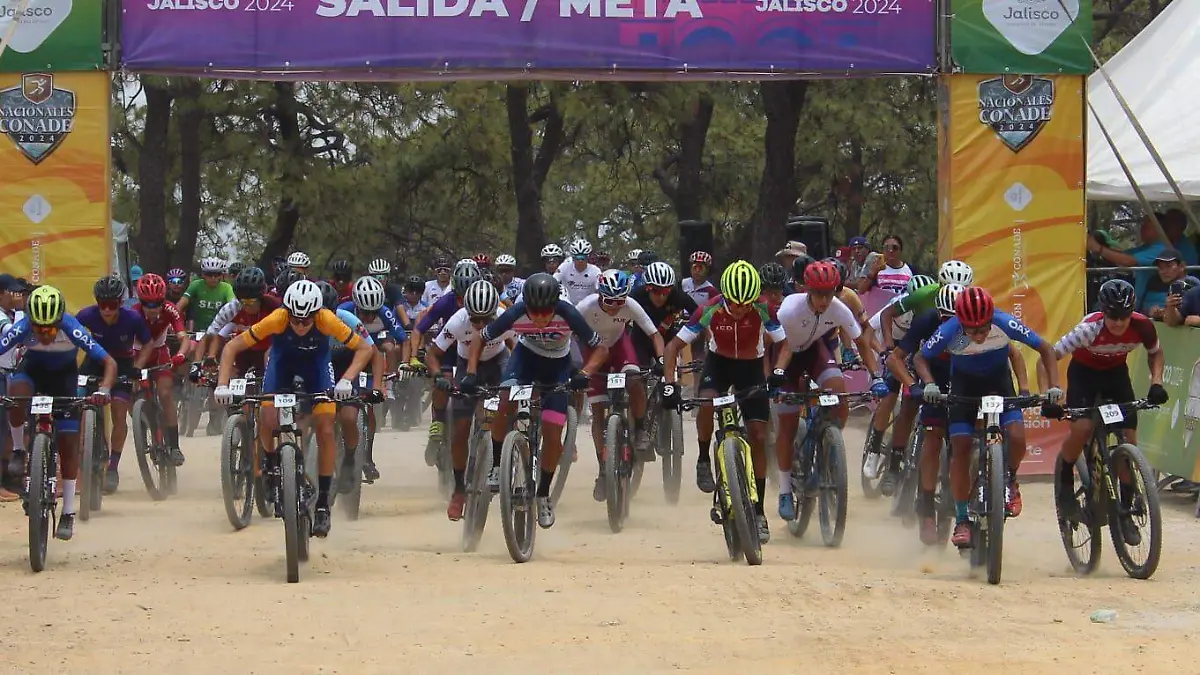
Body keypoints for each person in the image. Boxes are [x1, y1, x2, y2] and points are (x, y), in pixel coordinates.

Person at [215, 280, 378, 538]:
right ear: (288, 312)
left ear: (316, 314)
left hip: (317, 368)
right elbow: (233, 347)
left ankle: (323, 502)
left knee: (325, 428)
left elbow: (364, 348)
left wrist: (347, 379)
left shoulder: (326, 319)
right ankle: (269, 469)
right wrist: (222, 385)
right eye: (296, 320)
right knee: (266, 415)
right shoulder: (277, 318)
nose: (301, 326)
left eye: (307, 321)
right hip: (282, 367)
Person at [917, 286, 1062, 549]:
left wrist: (1052, 387)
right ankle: (962, 518)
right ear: (960, 322)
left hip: (999, 385)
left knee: (1017, 436)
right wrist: (929, 383)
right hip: (963, 388)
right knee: (960, 448)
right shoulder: (950, 331)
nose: (980, 335)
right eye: (972, 331)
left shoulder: (1004, 322)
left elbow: (1047, 349)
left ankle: (1011, 480)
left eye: (984, 328)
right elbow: (920, 358)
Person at [467, 273, 606, 529]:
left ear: (556, 306)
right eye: (535, 312)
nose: (541, 317)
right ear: (526, 306)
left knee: (553, 433)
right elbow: (479, 338)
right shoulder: (515, 312)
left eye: (547, 312)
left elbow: (601, 348)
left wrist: (585, 374)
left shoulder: (569, 314)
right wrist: (471, 373)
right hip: (525, 359)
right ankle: (497, 465)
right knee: (505, 397)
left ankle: (543, 494)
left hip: (558, 366)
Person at [663, 261, 782, 542]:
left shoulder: (764, 309)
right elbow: (672, 348)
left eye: (746, 304)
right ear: (724, 296)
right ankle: (704, 458)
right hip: (718, 366)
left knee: (758, 434)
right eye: (735, 304)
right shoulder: (709, 310)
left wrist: (777, 372)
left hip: (751, 368)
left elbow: (784, 342)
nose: (740, 310)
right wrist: (670, 385)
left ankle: (759, 510)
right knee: (705, 402)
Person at [1050, 278, 1166, 546]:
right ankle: (1066, 483)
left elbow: (1156, 353)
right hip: (1084, 375)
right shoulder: (1089, 329)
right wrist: (1051, 392)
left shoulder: (1143, 326)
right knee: (1082, 428)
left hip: (1115, 374)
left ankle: (1125, 511)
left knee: (1128, 440)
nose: (1118, 323)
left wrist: (1156, 382)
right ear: (1104, 311)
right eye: (1113, 317)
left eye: (1123, 317)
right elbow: (1050, 356)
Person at [0, 285, 116, 540]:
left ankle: (68, 513)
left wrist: (105, 388)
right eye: (38, 329)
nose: (44, 334)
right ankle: (20, 450)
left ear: (59, 321)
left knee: (68, 442)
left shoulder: (71, 327)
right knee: (16, 392)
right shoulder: (23, 327)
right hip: (32, 372)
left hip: (64, 379)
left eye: (50, 329)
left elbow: (109, 362)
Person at [772, 262, 885, 522]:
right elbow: (775, 343)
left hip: (813, 350)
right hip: (784, 355)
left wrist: (875, 376)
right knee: (787, 424)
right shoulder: (789, 308)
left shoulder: (839, 308)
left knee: (838, 391)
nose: (825, 300)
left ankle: (828, 443)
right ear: (808, 290)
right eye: (819, 294)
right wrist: (772, 378)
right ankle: (786, 489)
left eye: (830, 293)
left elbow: (861, 341)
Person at [428, 280, 513, 521]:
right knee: (460, 429)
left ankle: (504, 459)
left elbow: (516, 347)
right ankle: (458, 489)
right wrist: (438, 378)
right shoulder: (457, 321)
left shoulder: (504, 317)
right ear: (467, 313)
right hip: (467, 367)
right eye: (475, 319)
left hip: (498, 363)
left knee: (502, 410)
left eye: (486, 319)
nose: (481, 325)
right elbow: (433, 354)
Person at [576, 270, 663, 501]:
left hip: (619, 347)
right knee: (597, 413)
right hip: (593, 353)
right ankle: (603, 470)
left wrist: (662, 359)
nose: (615, 306)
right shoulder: (585, 306)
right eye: (609, 301)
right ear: (600, 295)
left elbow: (654, 334)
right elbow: (566, 333)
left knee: (635, 380)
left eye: (620, 301)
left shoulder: (630, 305)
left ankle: (640, 428)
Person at [891, 283, 963, 544]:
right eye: (944, 317)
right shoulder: (926, 320)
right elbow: (896, 359)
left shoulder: (979, 323)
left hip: (966, 379)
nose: (949, 324)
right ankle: (926, 510)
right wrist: (914, 386)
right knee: (932, 440)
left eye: (955, 318)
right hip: (934, 379)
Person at [75, 276, 155, 494]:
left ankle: (112, 467)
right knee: (79, 406)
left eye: (113, 305)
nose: (107, 311)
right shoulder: (86, 315)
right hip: (95, 361)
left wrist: (137, 366)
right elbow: (70, 337)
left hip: (122, 363)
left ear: (121, 303)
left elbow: (148, 344)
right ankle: (85, 453)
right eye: (103, 305)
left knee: (119, 412)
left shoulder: (133, 318)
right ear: (96, 302)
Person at [410, 261, 481, 464]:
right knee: (442, 382)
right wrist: (414, 355)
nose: (464, 302)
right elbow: (419, 328)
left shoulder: (486, 299)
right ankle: (438, 423)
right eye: (460, 297)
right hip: (448, 350)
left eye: (468, 296)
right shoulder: (445, 302)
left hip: (475, 351)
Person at [132, 273, 194, 467]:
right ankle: (142, 425)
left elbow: (184, 338)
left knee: (166, 394)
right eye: (147, 304)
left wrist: (181, 355)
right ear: (140, 301)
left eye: (157, 303)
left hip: (160, 354)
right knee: (131, 395)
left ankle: (174, 446)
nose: (153, 309)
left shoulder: (171, 310)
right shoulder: (132, 314)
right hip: (136, 355)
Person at [1139, 248, 1189, 319]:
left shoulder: (1192, 285)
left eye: (1169, 266)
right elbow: (1140, 310)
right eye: (1161, 268)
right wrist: (1150, 311)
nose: (1163, 271)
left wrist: (1167, 313)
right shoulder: (1153, 282)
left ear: (1181, 266)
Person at [556, 240, 602, 305]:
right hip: (569, 305)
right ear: (573, 258)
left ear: (587, 257)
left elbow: (600, 290)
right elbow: (553, 280)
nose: (580, 261)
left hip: (588, 307)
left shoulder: (596, 271)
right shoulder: (564, 267)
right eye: (577, 258)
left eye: (583, 258)